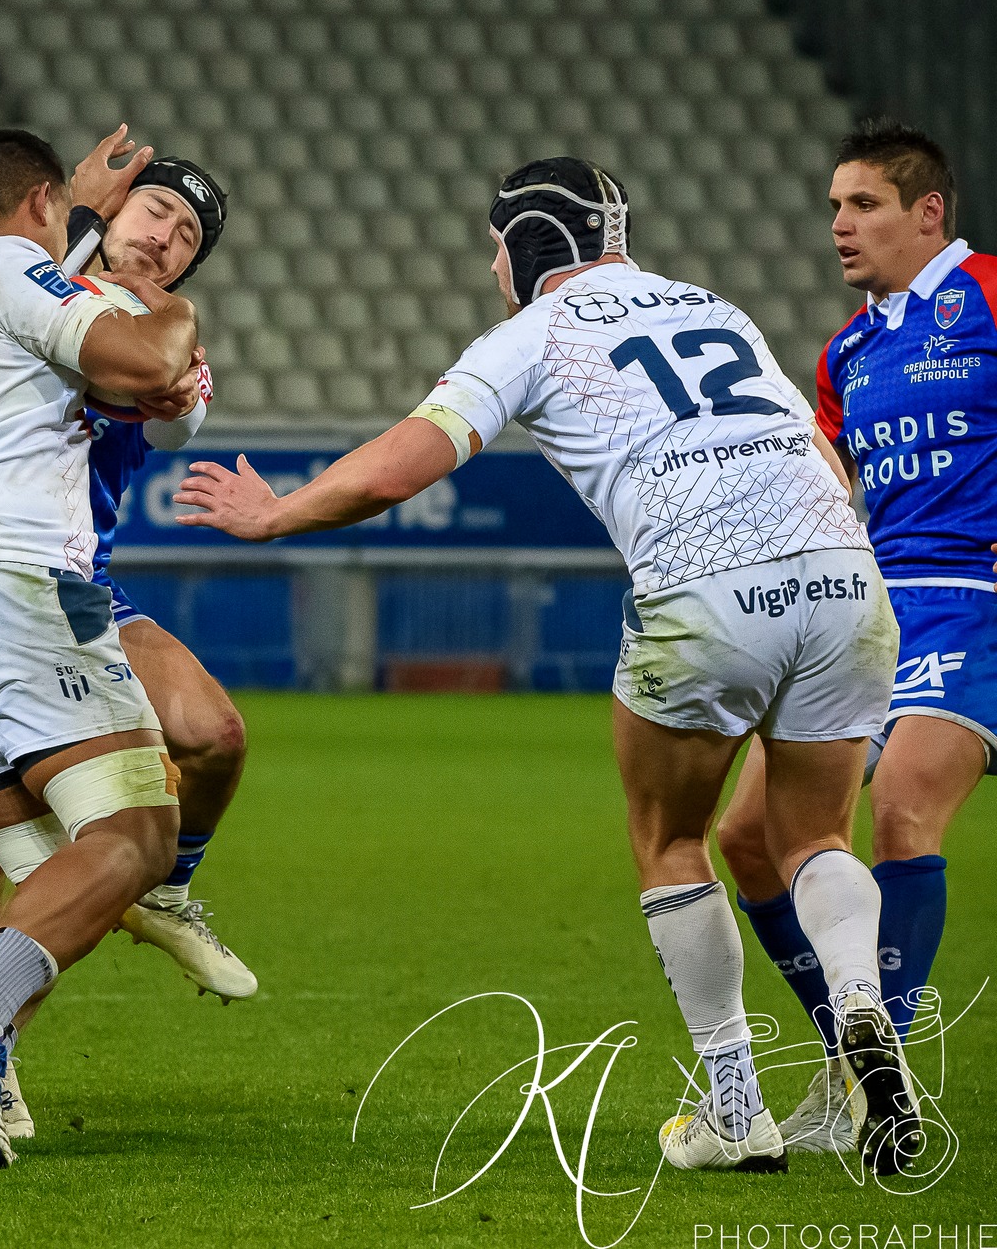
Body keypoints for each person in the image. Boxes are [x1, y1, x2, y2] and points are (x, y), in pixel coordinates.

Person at [175, 158, 922, 1176]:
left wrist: (278, 512)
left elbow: (410, 454)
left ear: (529, 242)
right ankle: (861, 1021)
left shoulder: (528, 335)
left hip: (704, 589)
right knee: (815, 832)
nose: (491, 264)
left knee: (669, 838)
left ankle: (735, 1109)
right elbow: (820, 458)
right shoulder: (714, 307)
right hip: (844, 578)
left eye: (495, 244)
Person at [0, 137, 248, 1153]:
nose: (164, 238)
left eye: (186, 237)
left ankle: (153, 898)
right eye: (153, 211)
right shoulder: (1, 274)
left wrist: (155, 355)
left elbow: (173, 415)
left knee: (208, 735)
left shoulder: (113, 317)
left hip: (68, 585)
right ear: (101, 205)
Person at [716, 118, 993, 1156]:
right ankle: (859, 1066)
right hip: (869, 609)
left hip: (972, 600)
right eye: (833, 205)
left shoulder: (990, 298)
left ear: (926, 213)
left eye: (861, 204)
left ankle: (872, 1079)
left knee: (900, 805)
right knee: (745, 836)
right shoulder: (848, 349)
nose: (837, 224)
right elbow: (835, 493)